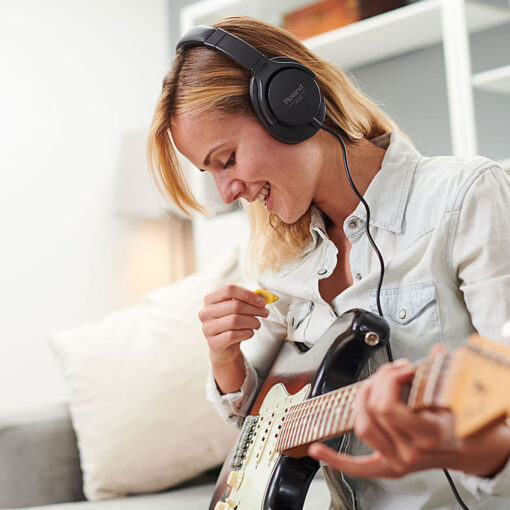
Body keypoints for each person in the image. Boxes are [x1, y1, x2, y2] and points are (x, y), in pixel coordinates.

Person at [147, 15, 510, 510]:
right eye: (210, 173)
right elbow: (259, 427)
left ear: (288, 103)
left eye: (227, 159)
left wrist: (477, 448)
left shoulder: (465, 197)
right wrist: (224, 357)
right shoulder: (280, 259)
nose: (226, 192)